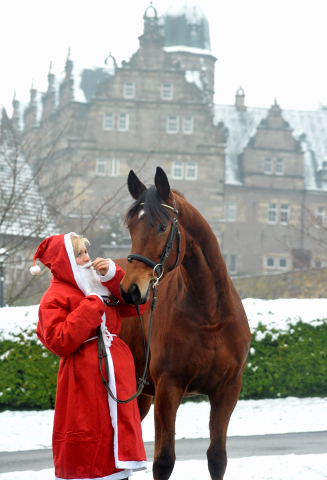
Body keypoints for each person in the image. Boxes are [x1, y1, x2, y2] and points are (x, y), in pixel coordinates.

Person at [31, 232, 149, 480]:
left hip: (116, 371)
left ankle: (119, 472)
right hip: (84, 377)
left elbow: (137, 306)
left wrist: (114, 276)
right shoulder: (53, 297)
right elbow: (58, 340)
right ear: (65, 261)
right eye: (79, 254)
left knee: (116, 432)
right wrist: (91, 306)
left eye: (86, 251)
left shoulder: (98, 283)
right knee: (91, 430)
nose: (87, 258)